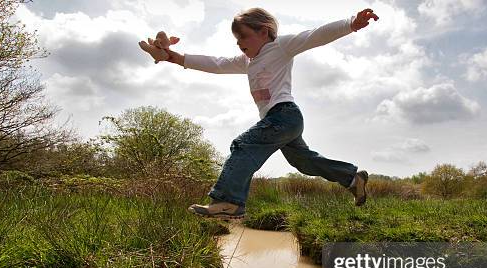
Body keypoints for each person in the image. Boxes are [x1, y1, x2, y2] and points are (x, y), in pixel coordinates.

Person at [139, 7, 379, 219]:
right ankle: (352, 179)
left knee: (244, 145)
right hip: (280, 122)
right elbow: (216, 63)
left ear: (264, 32)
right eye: (236, 38)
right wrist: (174, 57)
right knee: (303, 162)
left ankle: (228, 201)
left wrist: (351, 23)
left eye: (243, 36)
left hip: (284, 115)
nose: (238, 42)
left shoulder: (281, 47)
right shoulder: (246, 61)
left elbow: (315, 36)